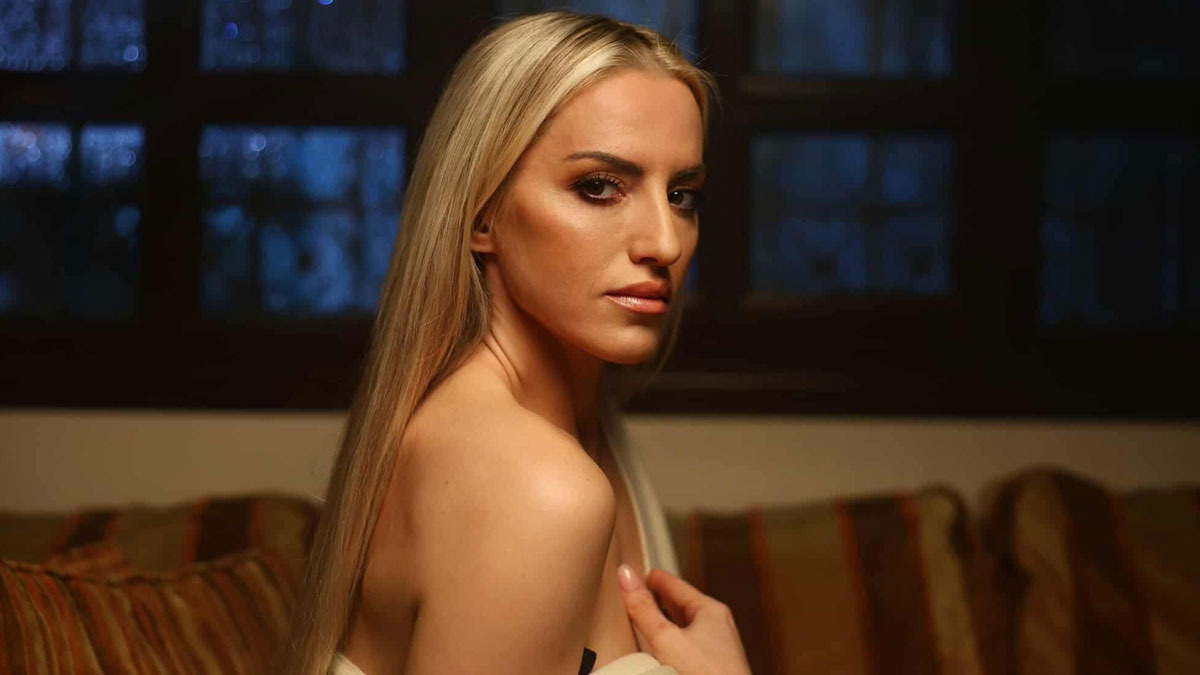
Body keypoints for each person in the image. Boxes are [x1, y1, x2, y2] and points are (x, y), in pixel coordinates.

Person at [280, 11, 752, 675]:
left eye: (681, 195)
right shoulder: (533, 484)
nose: (665, 243)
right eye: (599, 187)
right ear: (481, 214)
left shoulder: (586, 431)